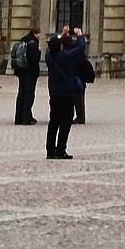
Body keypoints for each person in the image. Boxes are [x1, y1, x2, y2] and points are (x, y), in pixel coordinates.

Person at [43, 28, 91, 160]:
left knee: (53, 123)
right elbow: (80, 47)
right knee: (65, 124)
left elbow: (53, 47)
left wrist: (62, 35)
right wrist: (80, 35)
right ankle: (60, 150)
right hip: (67, 94)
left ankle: (50, 151)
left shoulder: (49, 56)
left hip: (54, 94)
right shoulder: (65, 57)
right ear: (60, 46)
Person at [11, 28, 42, 126]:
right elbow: (34, 60)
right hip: (29, 72)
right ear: (35, 34)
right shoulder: (33, 43)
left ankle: (18, 117)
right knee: (29, 95)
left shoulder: (23, 40)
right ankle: (26, 118)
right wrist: (36, 73)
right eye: (39, 34)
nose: (39, 36)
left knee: (21, 94)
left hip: (21, 71)